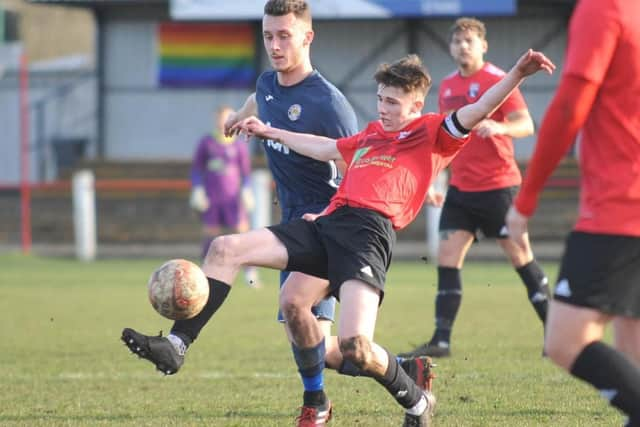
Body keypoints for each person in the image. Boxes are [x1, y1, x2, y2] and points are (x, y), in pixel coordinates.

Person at [122, 2, 434, 423]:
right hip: (293, 222)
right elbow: (262, 96)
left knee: (301, 314)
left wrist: (327, 215)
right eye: (268, 36)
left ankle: (321, 404)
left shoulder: (330, 105)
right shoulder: (268, 83)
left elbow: (357, 170)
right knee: (312, 340)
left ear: (307, 37)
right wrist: (239, 115)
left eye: (284, 35)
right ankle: (177, 347)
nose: (274, 45)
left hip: (329, 227)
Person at [224, 49, 553, 426]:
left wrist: (517, 74)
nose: (382, 108)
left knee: (355, 348)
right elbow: (325, 148)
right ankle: (317, 402)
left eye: (392, 102)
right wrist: (269, 131)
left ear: (416, 105)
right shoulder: (372, 134)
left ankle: (415, 401)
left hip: (369, 237)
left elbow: (479, 108)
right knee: (293, 305)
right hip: (332, 225)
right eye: (380, 98)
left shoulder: (433, 131)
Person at [506, 0, 640, 424]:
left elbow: (569, 107)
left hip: (622, 207)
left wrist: (525, 201)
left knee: (564, 340)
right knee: (631, 352)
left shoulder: (605, 8)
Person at [399, 17, 550, 359]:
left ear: (483, 46)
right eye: (457, 42)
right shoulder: (449, 86)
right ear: (450, 48)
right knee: (448, 258)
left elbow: (526, 125)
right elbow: (441, 140)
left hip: (499, 187)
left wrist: (499, 128)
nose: (462, 47)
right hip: (461, 189)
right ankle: (441, 340)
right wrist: (433, 180)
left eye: (469, 41)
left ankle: (554, 334)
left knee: (520, 257)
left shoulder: (498, 80)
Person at [189, 105, 260, 287]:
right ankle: (203, 276)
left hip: (233, 199)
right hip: (212, 197)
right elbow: (197, 169)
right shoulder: (206, 142)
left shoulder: (238, 144)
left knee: (242, 233)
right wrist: (197, 189)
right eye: (219, 118)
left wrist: (246, 190)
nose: (222, 121)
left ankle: (250, 275)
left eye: (226, 117)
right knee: (210, 234)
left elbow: (245, 172)